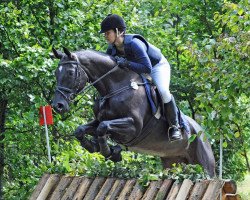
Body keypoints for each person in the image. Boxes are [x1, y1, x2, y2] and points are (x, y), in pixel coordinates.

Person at [100, 14, 182, 141]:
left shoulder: (134, 43)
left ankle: (175, 126)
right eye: (104, 33)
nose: (105, 36)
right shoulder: (111, 49)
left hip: (156, 66)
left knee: (163, 91)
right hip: (137, 69)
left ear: (118, 31)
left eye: (107, 32)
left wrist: (126, 63)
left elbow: (147, 68)